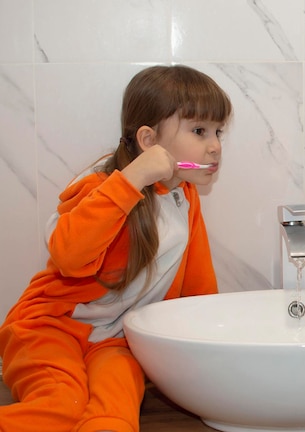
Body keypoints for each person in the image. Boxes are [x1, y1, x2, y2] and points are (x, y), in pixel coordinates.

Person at [0, 65, 232, 432]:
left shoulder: (185, 198)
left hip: (118, 340)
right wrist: (134, 178)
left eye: (219, 131)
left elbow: (197, 291)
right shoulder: (102, 186)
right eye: (199, 130)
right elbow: (69, 256)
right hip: (49, 328)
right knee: (62, 408)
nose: (215, 145)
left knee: (115, 417)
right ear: (148, 140)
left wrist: (212, 357)